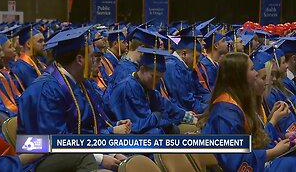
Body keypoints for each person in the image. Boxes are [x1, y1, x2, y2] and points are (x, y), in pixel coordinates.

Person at [17, 26, 130, 171]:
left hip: (79, 153)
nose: (97, 63)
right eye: (91, 57)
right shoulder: (46, 90)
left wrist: (112, 152)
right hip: (42, 160)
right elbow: (55, 142)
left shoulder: (82, 83)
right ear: (79, 59)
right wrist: (100, 157)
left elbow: (92, 127)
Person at [198, 52, 296, 171]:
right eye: (252, 69)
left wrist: (286, 137)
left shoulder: (237, 102)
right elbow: (237, 163)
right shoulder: (226, 113)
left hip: (257, 161)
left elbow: (252, 142)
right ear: (240, 76)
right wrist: (273, 152)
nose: (256, 73)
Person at [106, 47, 197, 134]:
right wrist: (159, 115)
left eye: (159, 78)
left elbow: (164, 105)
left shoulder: (146, 86)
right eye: (154, 77)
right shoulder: (128, 88)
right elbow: (139, 125)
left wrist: (185, 115)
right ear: (142, 69)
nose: (156, 81)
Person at [163, 36, 210, 114]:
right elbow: (185, 100)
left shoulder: (184, 67)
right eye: (196, 57)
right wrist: (207, 108)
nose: (198, 61)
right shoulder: (172, 67)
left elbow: (199, 92)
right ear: (184, 54)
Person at [11, 25, 46, 89]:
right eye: (40, 41)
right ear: (28, 44)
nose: (44, 44)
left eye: (44, 41)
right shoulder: (18, 68)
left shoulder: (41, 64)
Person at [197, 25, 228, 91]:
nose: (227, 44)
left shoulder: (215, 64)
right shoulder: (206, 66)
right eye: (223, 41)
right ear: (216, 45)